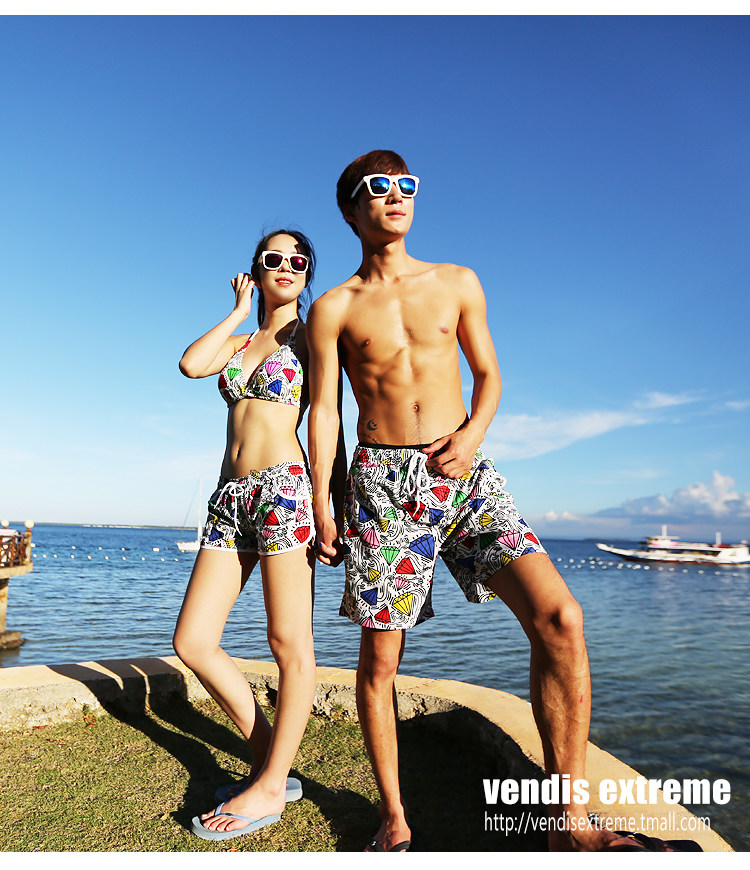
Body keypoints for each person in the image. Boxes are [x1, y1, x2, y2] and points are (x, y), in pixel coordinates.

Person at [306, 151, 641, 853]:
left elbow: (488, 374)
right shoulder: (334, 306)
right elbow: (326, 412)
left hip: (464, 471)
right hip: (381, 487)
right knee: (381, 662)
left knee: (560, 617)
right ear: (351, 210)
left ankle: (568, 823)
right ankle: (394, 817)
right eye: (378, 188)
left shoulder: (457, 281)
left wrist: (473, 434)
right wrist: (324, 503)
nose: (396, 196)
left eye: (406, 185)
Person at [174, 229, 326, 842]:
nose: (286, 266)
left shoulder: (312, 337)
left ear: (307, 273)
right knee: (193, 641)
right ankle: (271, 762)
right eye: (273, 259)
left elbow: (328, 421)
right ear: (256, 271)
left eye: (298, 260)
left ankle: (269, 787)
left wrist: (328, 503)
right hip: (229, 496)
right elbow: (192, 364)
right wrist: (240, 310)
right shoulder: (241, 340)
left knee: (289, 642)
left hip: (284, 489)